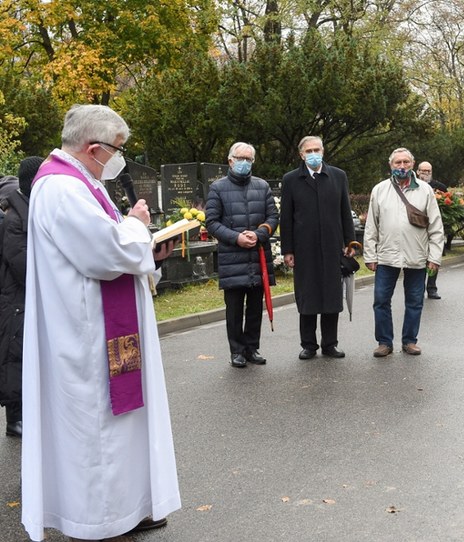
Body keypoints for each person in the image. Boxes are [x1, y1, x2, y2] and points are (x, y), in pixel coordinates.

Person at [21, 104, 180, 540]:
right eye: (118, 151)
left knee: (123, 424)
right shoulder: (60, 188)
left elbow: (118, 248)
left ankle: (130, 507)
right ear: (94, 148)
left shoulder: (84, 182)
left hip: (109, 329)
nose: (119, 159)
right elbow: (105, 254)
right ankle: (97, 519)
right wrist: (136, 226)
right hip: (86, 334)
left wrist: (149, 249)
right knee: (96, 429)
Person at [363, 148, 445, 357]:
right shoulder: (380, 190)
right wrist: (370, 255)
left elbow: (436, 226)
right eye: (397, 162)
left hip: (416, 255)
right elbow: (372, 225)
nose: (401, 166)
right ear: (391, 165)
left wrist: (434, 257)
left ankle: (409, 341)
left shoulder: (425, 190)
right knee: (381, 300)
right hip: (387, 256)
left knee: (415, 300)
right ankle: (384, 342)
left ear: (412, 164)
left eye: (406, 162)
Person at [280, 136, 355, 360]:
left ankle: (330, 343)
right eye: (309, 150)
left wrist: (350, 243)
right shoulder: (292, 179)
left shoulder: (338, 176)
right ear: (301, 154)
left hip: (333, 246)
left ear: (323, 151)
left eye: (317, 149)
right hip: (305, 248)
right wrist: (288, 250)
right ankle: (309, 345)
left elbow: (345, 212)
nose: (314, 154)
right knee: (308, 295)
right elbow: (286, 218)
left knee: (332, 296)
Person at [206, 142, 279, 368]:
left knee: (255, 307)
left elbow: (273, 217)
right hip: (233, 257)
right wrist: (236, 237)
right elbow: (211, 222)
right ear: (230, 160)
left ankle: (252, 348)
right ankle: (236, 350)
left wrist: (259, 234)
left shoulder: (262, 186)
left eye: (249, 159)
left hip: (258, 256)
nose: (244, 163)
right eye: (240, 158)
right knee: (235, 308)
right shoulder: (218, 188)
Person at [0, 157, 42, 438]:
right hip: (15, 299)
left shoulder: (25, 213)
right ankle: (15, 418)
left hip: (19, 298)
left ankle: (20, 415)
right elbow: (22, 264)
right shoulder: (15, 220)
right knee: (15, 357)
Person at [416, 161, 447, 299]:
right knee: (419, 259)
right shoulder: (413, 186)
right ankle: (419, 287)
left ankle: (432, 287)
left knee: (434, 257)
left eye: (428, 171)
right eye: (423, 171)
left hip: (434, 227)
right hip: (417, 228)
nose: (426, 174)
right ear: (418, 172)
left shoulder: (440, 187)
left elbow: (447, 205)